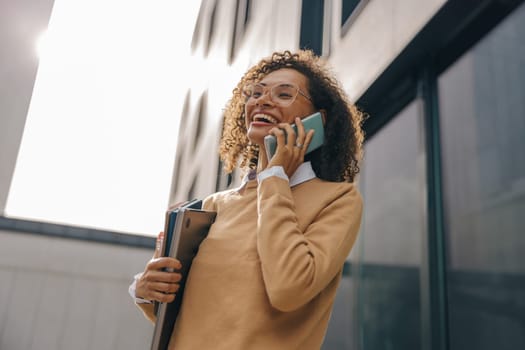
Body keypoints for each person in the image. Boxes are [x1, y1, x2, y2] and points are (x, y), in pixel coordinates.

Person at [129, 49, 365, 349]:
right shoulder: (212, 206)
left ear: (318, 120)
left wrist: (275, 177)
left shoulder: (338, 200)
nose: (262, 101)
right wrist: (145, 289)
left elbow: (289, 288)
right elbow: (184, 314)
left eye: (283, 94)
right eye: (255, 92)